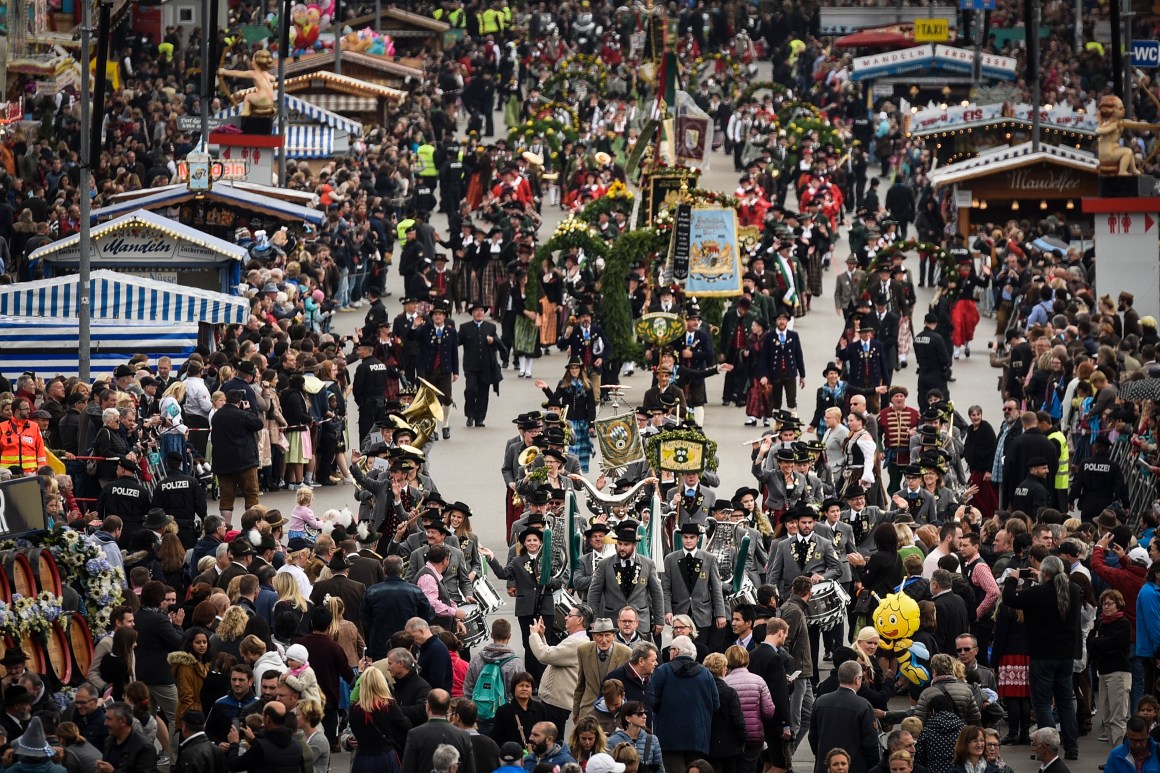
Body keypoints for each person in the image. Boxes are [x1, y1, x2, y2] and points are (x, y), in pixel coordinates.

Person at [1001, 555, 1082, 760]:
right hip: (1065, 655)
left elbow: (1010, 599)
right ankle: (1072, 748)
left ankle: (1048, 747)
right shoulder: (1072, 590)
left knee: (1043, 703)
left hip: (1042, 655)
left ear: (1045, 573)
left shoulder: (1037, 593)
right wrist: (1043, 577)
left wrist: (1012, 578)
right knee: (1065, 702)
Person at [646, 635, 719, 773]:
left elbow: (652, 702)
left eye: (670, 650)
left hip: (669, 738)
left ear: (676, 651)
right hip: (698, 737)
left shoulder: (663, 671)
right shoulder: (706, 674)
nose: (669, 653)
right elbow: (716, 705)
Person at [808, 661, 881, 773]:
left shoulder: (820, 701)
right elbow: (871, 743)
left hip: (826, 766)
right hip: (855, 767)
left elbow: (813, 737)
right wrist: (874, 767)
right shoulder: (863, 705)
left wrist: (821, 757)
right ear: (857, 679)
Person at [1089, 589, 1132, 746]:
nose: (1106, 607)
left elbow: (1111, 643)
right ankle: (1114, 756)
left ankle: (1120, 757)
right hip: (1103, 672)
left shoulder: (1123, 624)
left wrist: (1098, 642)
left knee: (1117, 717)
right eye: (1104, 603)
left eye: (1109, 603)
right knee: (1106, 717)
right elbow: (1091, 641)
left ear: (1118, 604)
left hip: (1119, 673)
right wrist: (1099, 642)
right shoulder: (1100, 623)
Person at [347, 667, 410, 773]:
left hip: (362, 758)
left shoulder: (353, 709)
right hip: (384, 758)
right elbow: (406, 726)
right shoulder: (389, 706)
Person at [401, 689, 476, 773]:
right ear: (448, 708)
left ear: (428, 706)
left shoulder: (415, 734)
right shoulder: (463, 736)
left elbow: (407, 769)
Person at [458, 301, 503, 428]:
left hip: (486, 367)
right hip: (471, 366)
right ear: (472, 313)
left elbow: (498, 344)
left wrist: (493, 340)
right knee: (471, 390)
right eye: (477, 311)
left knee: (483, 394)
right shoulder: (465, 327)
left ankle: (479, 418)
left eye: (481, 311)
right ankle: (470, 415)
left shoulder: (490, 327)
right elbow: (456, 341)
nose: (479, 313)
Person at [489, 671, 546, 748]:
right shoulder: (503, 710)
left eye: (528, 686)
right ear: (513, 688)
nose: (524, 689)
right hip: (512, 754)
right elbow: (497, 737)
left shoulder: (540, 708)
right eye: (521, 685)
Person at [98, 701, 159, 773]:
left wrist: (113, 772)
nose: (105, 723)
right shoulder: (109, 741)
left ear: (123, 721)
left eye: (109, 719)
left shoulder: (145, 748)